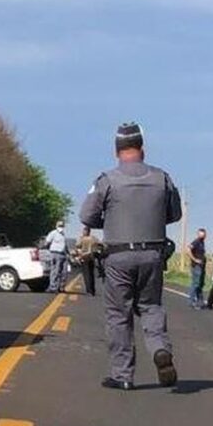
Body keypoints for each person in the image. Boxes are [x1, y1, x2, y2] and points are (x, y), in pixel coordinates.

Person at [80, 122, 182, 391]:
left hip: (119, 257)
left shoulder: (106, 180)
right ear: (143, 150)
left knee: (118, 314)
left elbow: (87, 216)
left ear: (116, 152)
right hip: (152, 254)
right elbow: (175, 214)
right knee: (150, 306)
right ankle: (160, 348)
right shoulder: (163, 178)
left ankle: (122, 374)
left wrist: (111, 219)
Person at [74, 226, 102, 296]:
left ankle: (89, 290)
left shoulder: (81, 238)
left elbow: (77, 246)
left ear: (85, 231)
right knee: (91, 274)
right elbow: (100, 244)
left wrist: (78, 255)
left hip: (84, 257)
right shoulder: (93, 238)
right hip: (91, 258)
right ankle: (92, 290)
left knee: (86, 275)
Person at [45, 220, 69, 293]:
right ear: (56, 226)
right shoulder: (53, 233)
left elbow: (65, 245)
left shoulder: (63, 234)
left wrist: (68, 253)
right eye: (59, 225)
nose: (61, 227)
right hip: (55, 253)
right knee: (55, 271)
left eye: (62, 226)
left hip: (63, 254)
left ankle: (61, 287)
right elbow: (47, 242)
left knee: (64, 272)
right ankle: (53, 287)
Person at [188, 228, 207, 308]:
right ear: (198, 234)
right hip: (196, 266)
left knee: (200, 283)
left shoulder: (202, 242)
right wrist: (195, 259)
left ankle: (200, 301)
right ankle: (192, 301)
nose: (202, 236)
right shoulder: (197, 241)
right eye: (200, 234)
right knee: (196, 283)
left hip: (201, 266)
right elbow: (188, 249)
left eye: (203, 234)